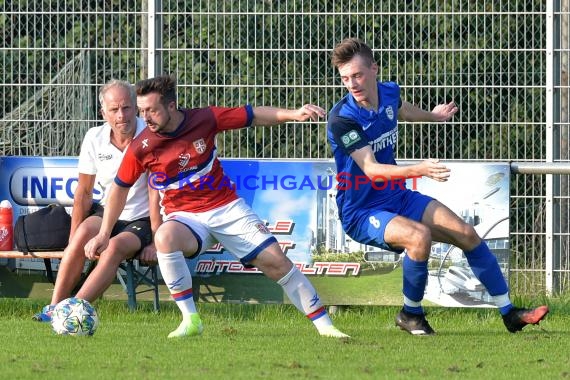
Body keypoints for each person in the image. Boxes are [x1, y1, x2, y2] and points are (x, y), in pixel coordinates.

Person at [84, 75, 349, 339]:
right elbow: (119, 188)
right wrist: (104, 234)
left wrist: (292, 113)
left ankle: (326, 327)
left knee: (277, 263)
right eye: (142, 111)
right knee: (164, 237)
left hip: (226, 209)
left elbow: (252, 115)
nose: (146, 118)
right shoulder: (142, 146)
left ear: (172, 106)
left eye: (151, 110)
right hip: (185, 218)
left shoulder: (204, 119)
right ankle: (190, 320)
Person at [326, 37, 548, 335]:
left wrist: (433, 115)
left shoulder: (388, 91)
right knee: (419, 237)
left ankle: (510, 314)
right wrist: (419, 169)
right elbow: (371, 169)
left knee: (466, 234)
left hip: (397, 197)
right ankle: (411, 315)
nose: (352, 84)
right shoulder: (342, 119)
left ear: (374, 69)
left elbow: (402, 109)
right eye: (345, 78)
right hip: (362, 211)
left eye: (357, 75)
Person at [33, 80, 161, 322]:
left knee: (112, 248)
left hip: (142, 218)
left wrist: (155, 239)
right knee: (81, 235)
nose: (121, 116)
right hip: (108, 213)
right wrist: (73, 238)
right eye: (114, 110)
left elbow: (158, 193)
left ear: (136, 108)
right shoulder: (94, 137)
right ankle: (53, 308)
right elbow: (83, 192)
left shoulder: (151, 136)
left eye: (126, 108)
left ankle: (73, 311)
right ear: (103, 113)